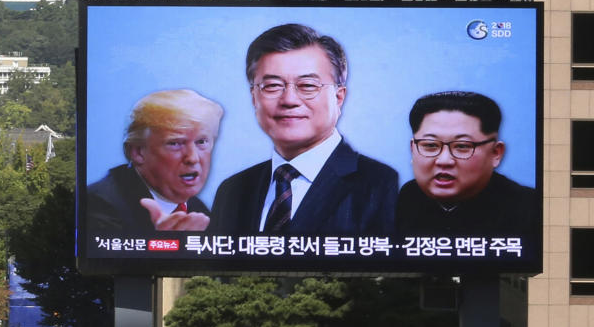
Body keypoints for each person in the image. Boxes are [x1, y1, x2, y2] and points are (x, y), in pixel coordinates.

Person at [211, 23, 397, 234]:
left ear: (339, 97)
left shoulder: (383, 184)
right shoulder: (233, 190)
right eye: (272, 86)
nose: (289, 100)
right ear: (254, 97)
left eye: (308, 85)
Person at [396, 91, 536, 235]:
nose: (444, 161)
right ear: (413, 149)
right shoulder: (408, 197)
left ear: (496, 153)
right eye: (431, 145)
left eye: (462, 146)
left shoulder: (533, 208)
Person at [86, 88, 224, 232]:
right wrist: (165, 244)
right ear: (138, 152)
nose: (193, 158)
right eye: (175, 143)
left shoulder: (199, 211)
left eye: (201, 142)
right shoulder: (99, 205)